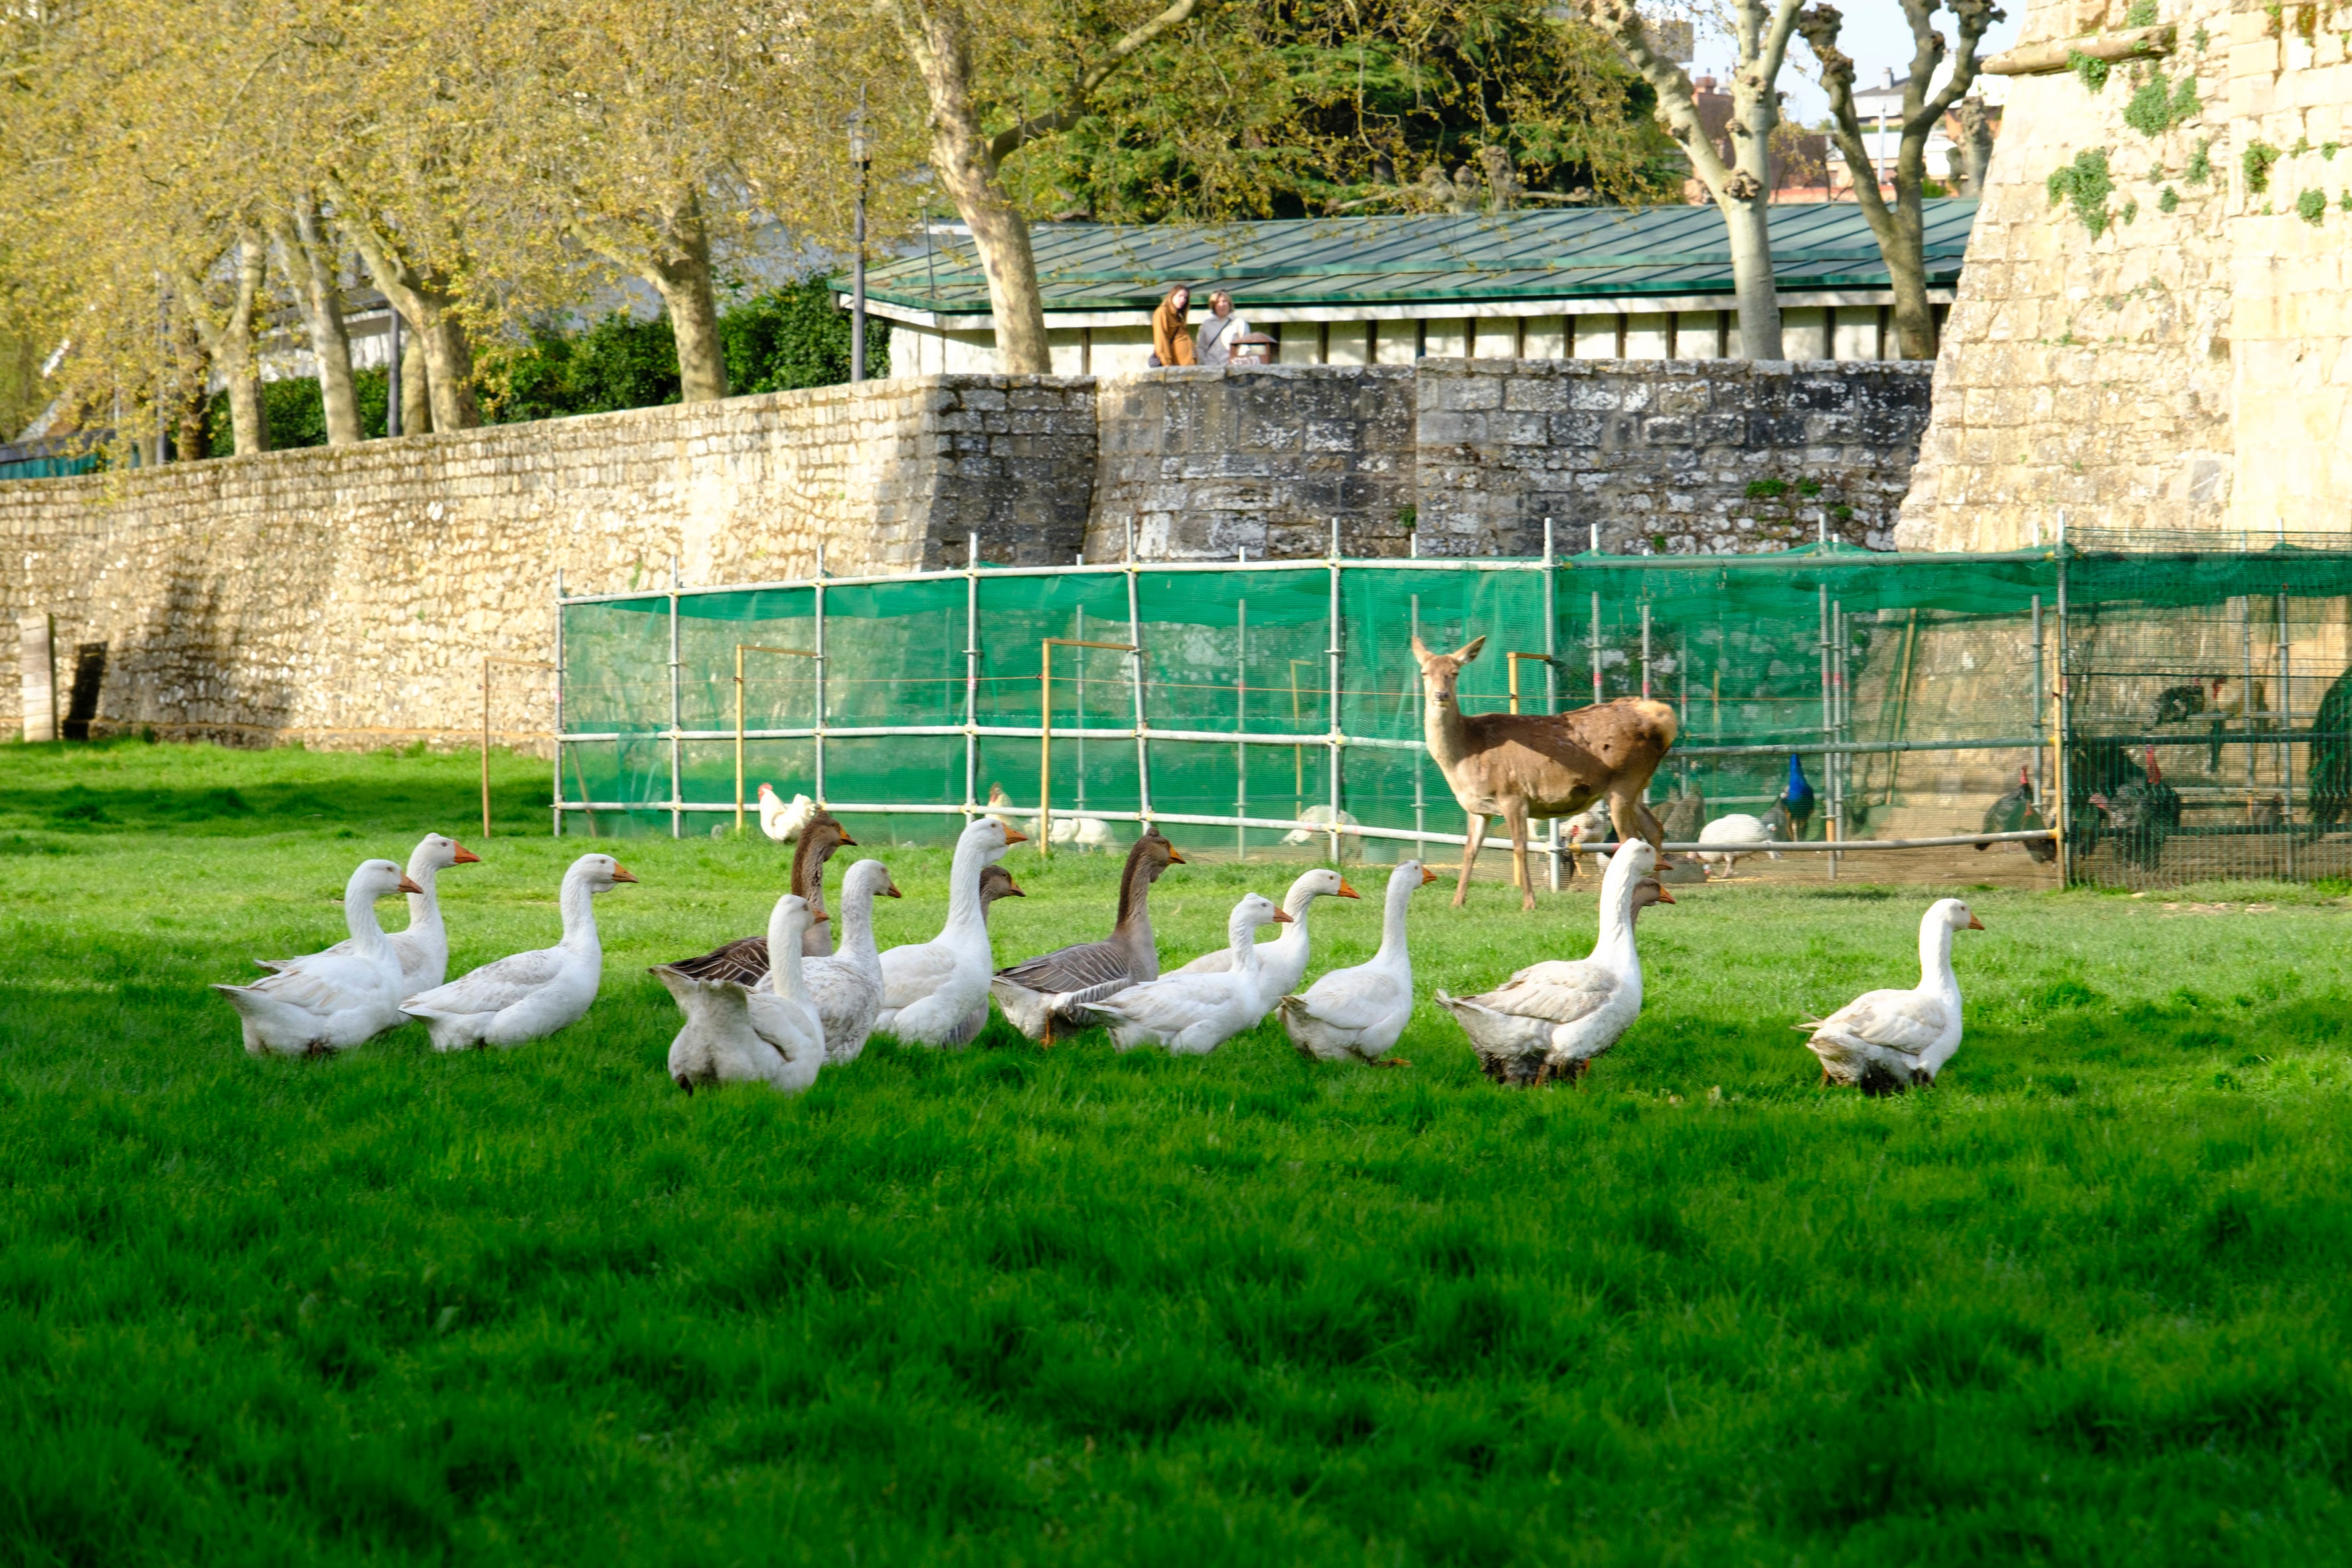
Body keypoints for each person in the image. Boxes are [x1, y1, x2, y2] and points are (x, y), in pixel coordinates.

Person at [1196, 291, 1251, 366]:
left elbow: (1245, 346)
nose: (1221, 305)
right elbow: (1200, 348)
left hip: (1232, 368)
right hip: (1210, 368)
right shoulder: (1206, 325)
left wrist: (1237, 362)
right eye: (1217, 302)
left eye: (1224, 301)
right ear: (1213, 306)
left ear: (1229, 303)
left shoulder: (1239, 323)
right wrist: (1205, 363)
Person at [1149, 285, 1197, 368]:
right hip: (1175, 366)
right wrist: (1166, 364)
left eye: (1185, 298)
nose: (1183, 300)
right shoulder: (1162, 312)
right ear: (1172, 296)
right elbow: (1161, 339)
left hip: (1187, 365)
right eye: (1180, 296)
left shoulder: (1179, 316)